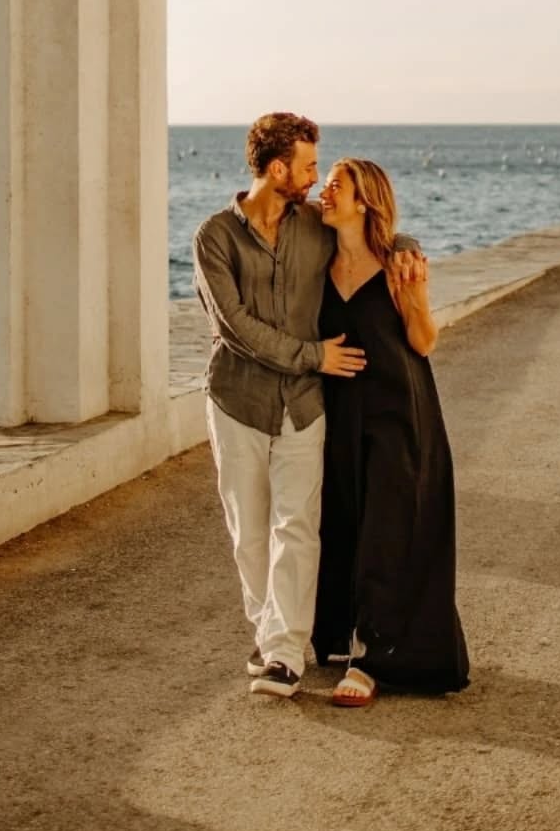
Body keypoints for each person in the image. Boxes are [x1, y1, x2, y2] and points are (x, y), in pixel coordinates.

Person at [192, 113, 425, 698]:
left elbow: (372, 234)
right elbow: (235, 326)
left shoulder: (315, 226)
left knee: (296, 526)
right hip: (237, 401)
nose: (317, 179)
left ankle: (285, 654)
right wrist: (312, 356)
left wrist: (407, 250)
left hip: (303, 406)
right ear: (279, 170)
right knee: (249, 533)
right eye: (309, 167)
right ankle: (270, 631)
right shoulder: (213, 238)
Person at [313, 157, 469, 706]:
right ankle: (339, 635)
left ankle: (370, 659)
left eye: (336, 186)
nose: (324, 191)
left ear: (364, 201)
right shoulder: (317, 257)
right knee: (344, 523)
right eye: (325, 182)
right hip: (339, 413)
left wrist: (417, 293)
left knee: (387, 528)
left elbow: (423, 342)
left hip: (399, 411)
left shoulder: (396, 263)